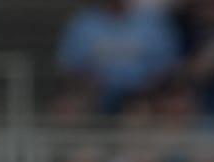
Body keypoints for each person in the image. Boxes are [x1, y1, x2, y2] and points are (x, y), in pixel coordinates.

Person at [54, 0, 183, 115]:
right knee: (68, 108)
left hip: (145, 94)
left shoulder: (152, 22)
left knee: (165, 105)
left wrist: (147, 87)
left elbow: (167, 64)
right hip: (95, 94)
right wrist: (90, 82)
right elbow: (69, 63)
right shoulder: (83, 24)